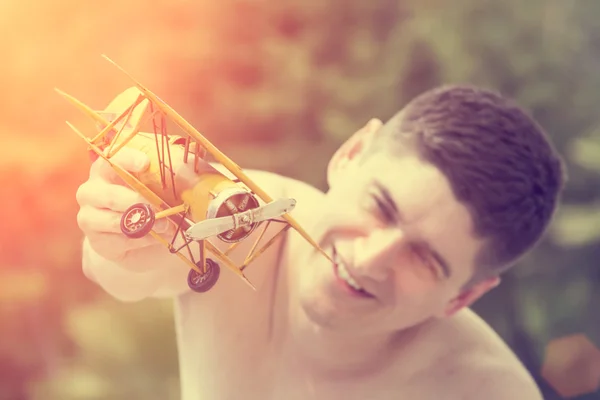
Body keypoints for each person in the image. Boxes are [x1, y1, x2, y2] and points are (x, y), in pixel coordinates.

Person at [76, 84, 565, 399]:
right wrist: (115, 231)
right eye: (381, 206)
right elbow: (126, 273)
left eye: (424, 259)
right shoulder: (243, 213)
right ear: (351, 155)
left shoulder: (488, 391)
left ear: (462, 297)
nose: (370, 258)